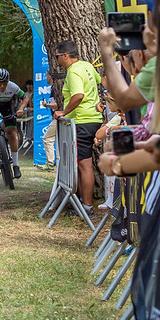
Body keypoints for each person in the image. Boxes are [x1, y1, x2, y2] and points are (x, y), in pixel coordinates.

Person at [53, 40, 101, 213]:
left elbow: (78, 95)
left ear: (65, 55)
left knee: (83, 165)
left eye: (57, 56)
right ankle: (82, 202)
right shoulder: (87, 66)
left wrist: (63, 112)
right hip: (93, 118)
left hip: (82, 121)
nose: (56, 60)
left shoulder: (73, 72)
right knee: (82, 163)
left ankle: (87, 206)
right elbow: (98, 81)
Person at [39, 70, 60, 170]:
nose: (46, 78)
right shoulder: (53, 88)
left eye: (46, 75)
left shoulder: (55, 88)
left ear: (50, 77)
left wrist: (46, 105)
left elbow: (57, 105)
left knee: (47, 138)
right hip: (56, 118)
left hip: (58, 118)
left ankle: (50, 163)